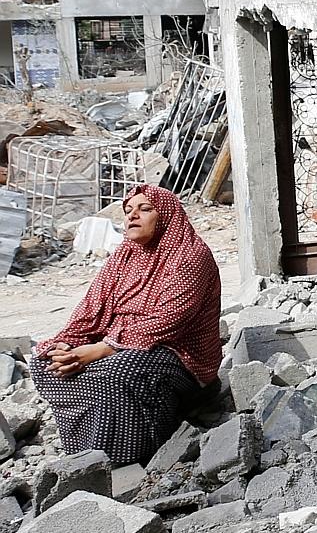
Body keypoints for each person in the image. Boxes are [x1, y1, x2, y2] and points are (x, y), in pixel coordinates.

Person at [32, 186, 222, 466]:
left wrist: (101, 349)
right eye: (128, 210)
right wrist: (67, 343)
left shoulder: (190, 255)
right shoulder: (125, 254)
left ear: (166, 215)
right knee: (44, 361)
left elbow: (168, 321)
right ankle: (86, 456)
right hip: (116, 345)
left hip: (180, 356)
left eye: (144, 209)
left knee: (121, 370)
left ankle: (130, 456)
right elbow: (91, 309)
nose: (133, 216)